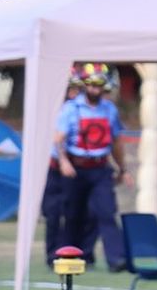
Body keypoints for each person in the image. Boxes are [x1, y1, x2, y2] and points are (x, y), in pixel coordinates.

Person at [53, 62, 128, 271]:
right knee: (73, 214)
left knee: (106, 212)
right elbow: (58, 138)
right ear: (84, 85)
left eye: (98, 85)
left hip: (100, 168)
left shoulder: (109, 110)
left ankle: (117, 259)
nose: (95, 89)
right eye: (91, 84)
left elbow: (115, 142)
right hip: (76, 168)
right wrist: (64, 161)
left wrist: (123, 168)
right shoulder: (71, 108)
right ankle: (68, 256)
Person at [43, 67, 84, 265]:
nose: (74, 93)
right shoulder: (51, 109)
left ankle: (71, 251)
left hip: (74, 167)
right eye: (71, 89)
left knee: (73, 212)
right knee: (53, 213)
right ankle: (52, 254)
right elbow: (54, 139)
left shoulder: (78, 110)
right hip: (53, 167)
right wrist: (62, 161)